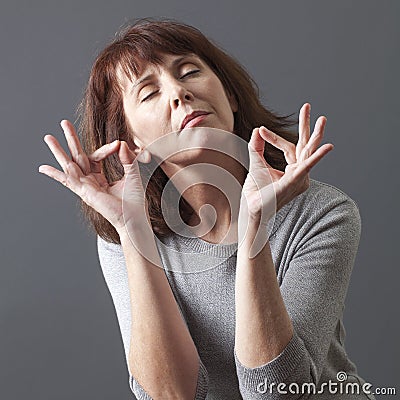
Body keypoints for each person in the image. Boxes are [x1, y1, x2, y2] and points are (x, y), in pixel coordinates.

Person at [39, 19, 375, 400]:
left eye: (190, 71)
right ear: (130, 139)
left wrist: (254, 226)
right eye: (149, 93)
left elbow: (276, 393)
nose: (179, 92)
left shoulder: (323, 212)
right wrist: (132, 231)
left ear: (230, 96)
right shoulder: (124, 232)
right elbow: (171, 395)